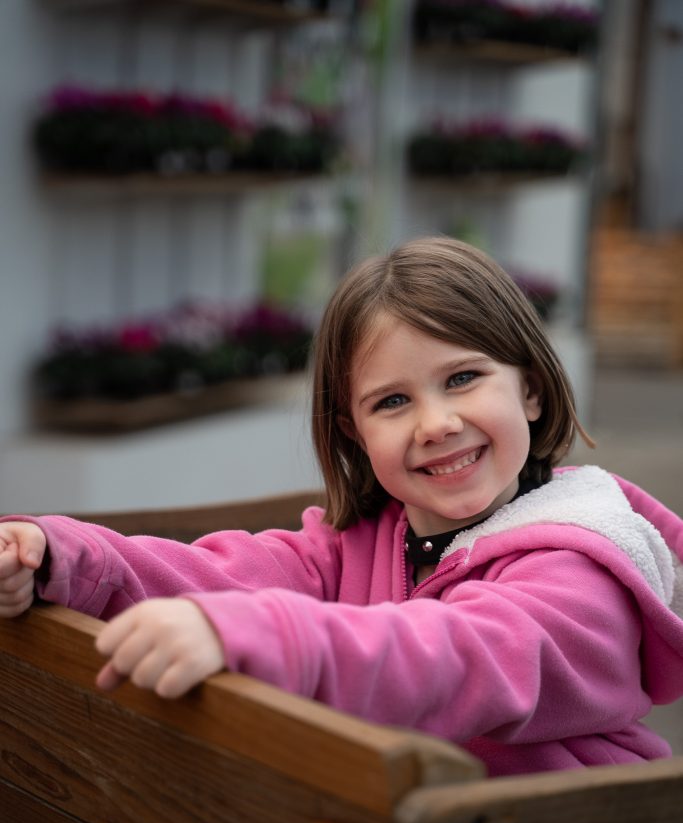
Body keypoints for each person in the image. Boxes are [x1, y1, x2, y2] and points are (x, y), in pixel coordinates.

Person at [1, 236, 682, 777]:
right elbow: (229, 572)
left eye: (463, 378)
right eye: (392, 401)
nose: (436, 422)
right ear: (354, 431)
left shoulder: (578, 562)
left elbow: (458, 655)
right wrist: (58, 552)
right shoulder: (365, 539)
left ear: (530, 392)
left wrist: (271, 637)